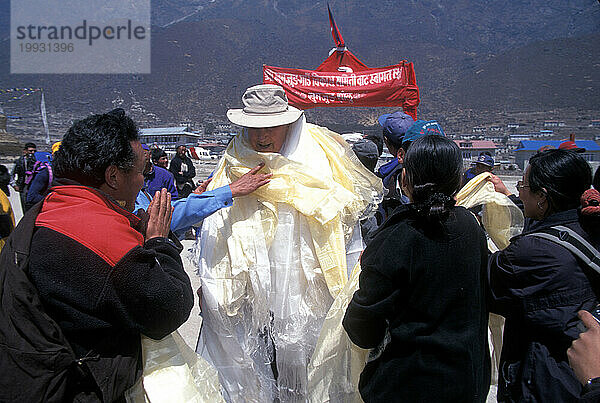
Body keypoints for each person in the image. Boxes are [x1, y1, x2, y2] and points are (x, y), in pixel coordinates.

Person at [195, 84, 382, 402]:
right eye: (254, 127)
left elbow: (344, 225)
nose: (261, 137)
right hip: (251, 295)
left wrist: (350, 284)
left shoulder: (318, 159)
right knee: (255, 366)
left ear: (288, 123)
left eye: (270, 126)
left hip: (306, 293)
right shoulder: (233, 160)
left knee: (306, 364)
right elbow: (216, 226)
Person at [25, 108, 194, 400]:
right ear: (113, 176)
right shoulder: (103, 235)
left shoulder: (55, 206)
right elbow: (170, 307)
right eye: (140, 172)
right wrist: (158, 240)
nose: (143, 182)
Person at [343, 135, 490, 402]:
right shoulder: (471, 227)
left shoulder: (396, 237)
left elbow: (362, 327)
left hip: (407, 384)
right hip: (466, 382)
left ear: (406, 179)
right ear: (457, 180)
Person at [488, 149, 598, 401]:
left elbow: (487, 280)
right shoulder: (587, 228)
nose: (519, 191)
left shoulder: (534, 252)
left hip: (546, 379)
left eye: (523, 185)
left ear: (542, 198)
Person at [11, 142, 36, 211]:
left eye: (34, 151)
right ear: (25, 151)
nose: (32, 152)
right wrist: (14, 185)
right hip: (23, 186)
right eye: (30, 151)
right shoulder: (19, 161)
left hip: (34, 186)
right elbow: (12, 174)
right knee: (24, 206)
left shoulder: (37, 161)